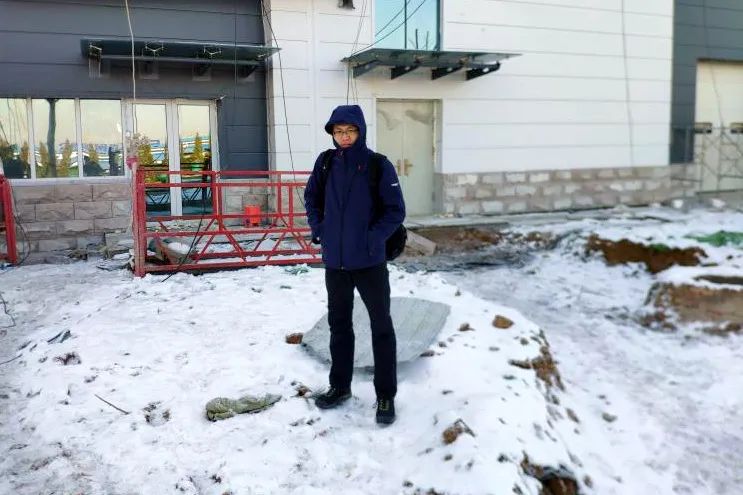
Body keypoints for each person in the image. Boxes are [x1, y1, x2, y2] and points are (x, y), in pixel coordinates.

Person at [304, 105, 405, 425]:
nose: (344, 137)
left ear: (360, 131)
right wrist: (320, 229)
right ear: (332, 134)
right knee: (339, 326)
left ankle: (385, 395)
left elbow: (395, 210)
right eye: (339, 132)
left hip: (369, 262)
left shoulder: (378, 165)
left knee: (381, 327)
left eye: (350, 131)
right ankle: (340, 386)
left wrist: (372, 239)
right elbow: (311, 198)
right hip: (335, 263)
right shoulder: (325, 163)